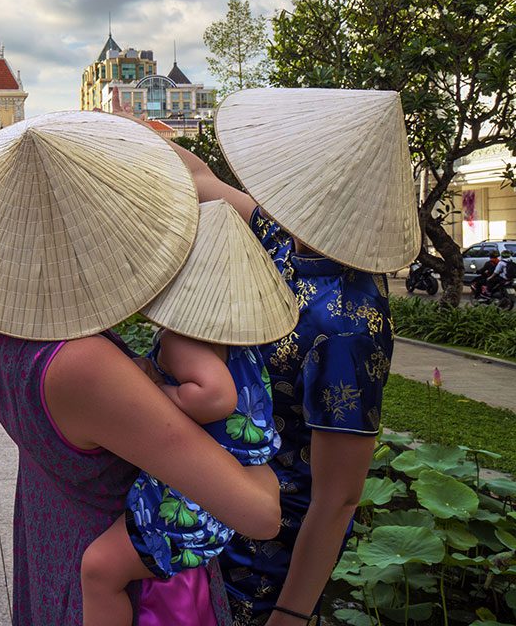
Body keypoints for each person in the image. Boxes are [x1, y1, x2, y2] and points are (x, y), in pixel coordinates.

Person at [0, 66, 282, 625]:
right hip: (123, 588)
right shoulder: (82, 366)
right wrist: (252, 428)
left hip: (49, 535)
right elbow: (260, 514)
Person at [158, 87, 421, 625]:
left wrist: (291, 613)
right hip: (222, 506)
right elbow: (203, 181)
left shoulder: (348, 323)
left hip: (270, 553)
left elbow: (339, 498)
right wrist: (123, 129)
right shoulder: (287, 237)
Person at [80, 200, 298, 626]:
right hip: (232, 481)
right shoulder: (235, 338)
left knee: (99, 569)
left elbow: (214, 397)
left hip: (197, 494)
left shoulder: (184, 339)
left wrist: (156, 392)